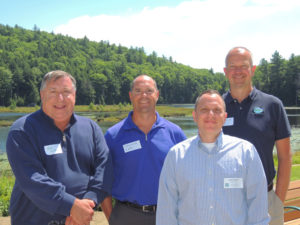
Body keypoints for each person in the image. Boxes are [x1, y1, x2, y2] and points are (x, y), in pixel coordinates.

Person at [6, 70, 113, 225]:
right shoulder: (22, 131)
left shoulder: (90, 128)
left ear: (75, 95)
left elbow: (104, 169)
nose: (60, 98)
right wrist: (71, 206)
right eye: (53, 92)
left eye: (66, 92)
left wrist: (87, 204)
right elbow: (32, 179)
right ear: (42, 95)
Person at [156, 90, 270, 225]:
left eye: (217, 110)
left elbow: (258, 206)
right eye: (204, 110)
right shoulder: (176, 156)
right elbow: (167, 211)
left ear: (225, 116)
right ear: (194, 116)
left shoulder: (246, 152)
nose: (211, 115)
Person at [102, 75, 186, 225]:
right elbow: (103, 183)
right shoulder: (113, 135)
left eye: (149, 90)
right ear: (130, 95)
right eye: (138, 90)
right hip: (126, 215)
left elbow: (187, 179)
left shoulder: (175, 133)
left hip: (167, 215)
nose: (144, 95)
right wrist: (113, 219)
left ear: (157, 95)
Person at [222, 47, 292, 225]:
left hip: (265, 200)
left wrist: (278, 201)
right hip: (224, 201)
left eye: (243, 66)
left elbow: (285, 157)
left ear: (252, 70)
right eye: (232, 66)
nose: (238, 71)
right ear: (225, 72)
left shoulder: (273, 105)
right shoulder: (216, 108)